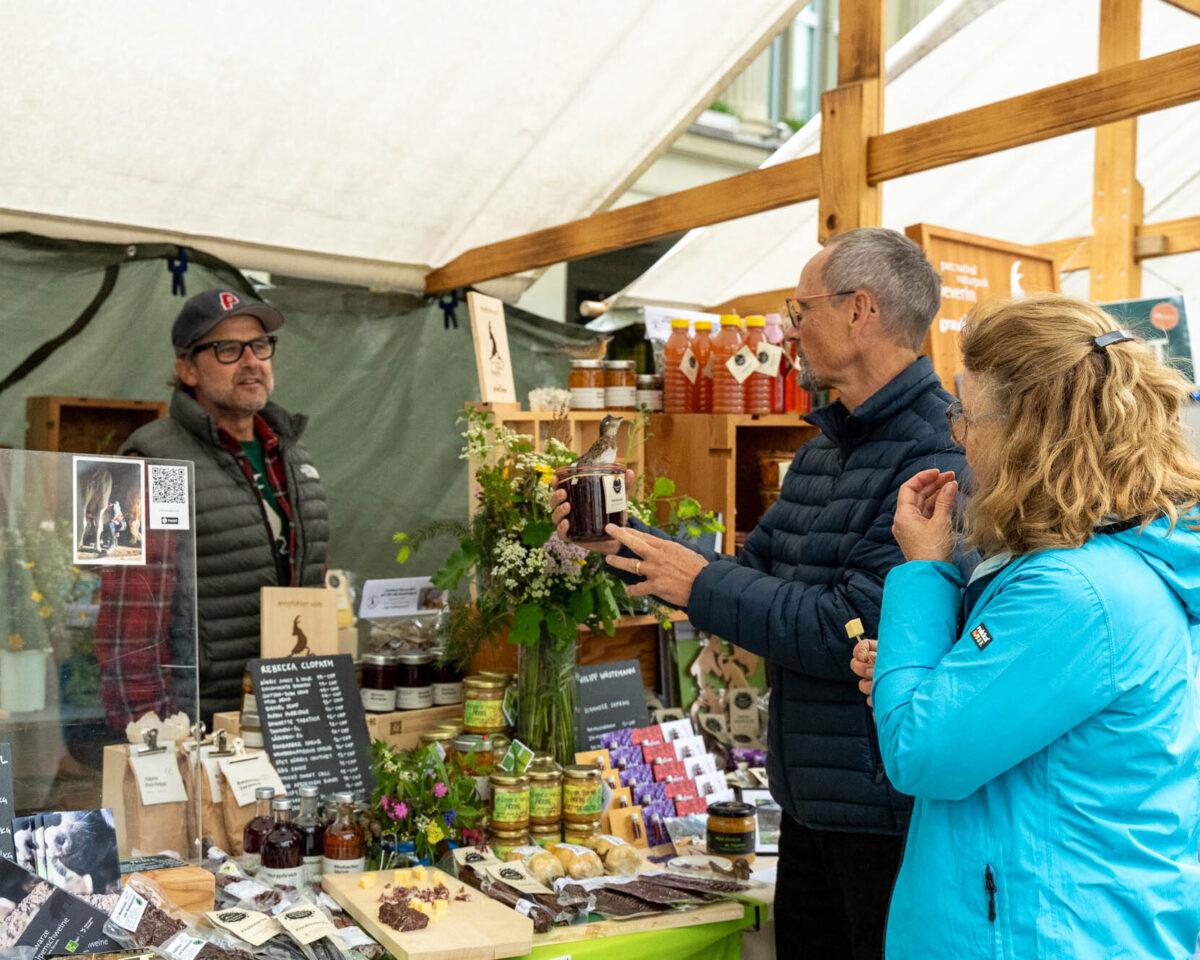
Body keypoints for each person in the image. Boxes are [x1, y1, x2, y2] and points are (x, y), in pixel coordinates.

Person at [554, 228, 970, 959]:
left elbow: (856, 627)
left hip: (885, 813)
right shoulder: (823, 451)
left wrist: (704, 583)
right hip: (810, 799)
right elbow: (752, 569)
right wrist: (616, 536)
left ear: (859, 311)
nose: (787, 329)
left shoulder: (936, 455)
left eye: (799, 309)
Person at [862, 294, 1200, 958]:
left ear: (1029, 433)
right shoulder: (1113, 564)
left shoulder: (1073, 593)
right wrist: (925, 672)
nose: (957, 434)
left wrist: (924, 571)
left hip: (1038, 932)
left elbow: (919, 751)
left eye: (967, 413)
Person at [95, 288, 329, 724]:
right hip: (197, 726)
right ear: (186, 370)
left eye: (260, 345)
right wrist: (152, 733)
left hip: (290, 717)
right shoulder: (149, 461)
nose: (251, 361)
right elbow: (127, 626)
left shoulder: (296, 459)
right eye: (227, 349)